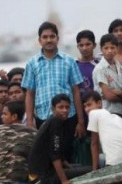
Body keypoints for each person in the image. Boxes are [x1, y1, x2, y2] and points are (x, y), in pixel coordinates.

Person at [22, 21, 85, 163]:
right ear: (39, 40)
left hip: (68, 118)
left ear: (58, 38)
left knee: (68, 154)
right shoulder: (32, 63)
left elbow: (76, 92)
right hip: (43, 118)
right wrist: (30, 121)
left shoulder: (69, 61)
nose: (49, 40)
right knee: (48, 156)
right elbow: (30, 94)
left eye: (52, 36)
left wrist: (80, 121)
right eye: (45, 37)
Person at [27, 94, 77, 184]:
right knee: (90, 171)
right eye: (61, 107)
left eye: (67, 107)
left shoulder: (51, 121)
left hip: (36, 176)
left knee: (78, 167)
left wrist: (69, 165)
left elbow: (54, 150)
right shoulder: (56, 121)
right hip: (41, 179)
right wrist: (64, 181)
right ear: (53, 109)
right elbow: (55, 154)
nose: (64, 110)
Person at [0, 101, 37, 184]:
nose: (2, 116)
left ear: (14, 117)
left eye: (5, 114)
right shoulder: (33, 133)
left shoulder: (0, 129)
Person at [83, 91, 122, 169]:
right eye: (84, 106)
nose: (86, 109)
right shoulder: (118, 118)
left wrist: (94, 170)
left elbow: (94, 144)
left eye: (89, 105)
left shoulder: (93, 113)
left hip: (115, 163)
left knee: (102, 158)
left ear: (99, 103)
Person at [92, 33, 122, 122]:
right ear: (101, 49)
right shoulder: (100, 69)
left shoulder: (120, 67)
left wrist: (119, 93)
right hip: (108, 113)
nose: (109, 51)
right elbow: (109, 96)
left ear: (117, 49)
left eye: (112, 47)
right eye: (106, 48)